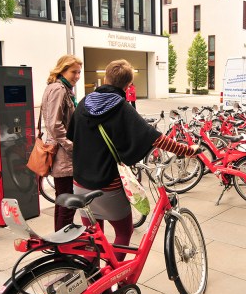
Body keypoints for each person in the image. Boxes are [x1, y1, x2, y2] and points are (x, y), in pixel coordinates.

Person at [67, 59, 197, 262]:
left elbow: (72, 135)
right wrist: (187, 150)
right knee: (123, 232)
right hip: (107, 186)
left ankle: (93, 279)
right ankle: (113, 276)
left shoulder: (84, 102)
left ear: (106, 77)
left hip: (80, 184)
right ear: (128, 86)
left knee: (93, 237)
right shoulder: (122, 108)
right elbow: (156, 138)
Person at [42, 55, 82, 231]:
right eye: (74, 72)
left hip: (60, 151)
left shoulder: (60, 87)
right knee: (67, 201)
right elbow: (54, 124)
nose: (77, 76)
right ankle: (63, 247)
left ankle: (59, 240)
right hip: (63, 154)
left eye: (79, 72)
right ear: (62, 70)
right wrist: (71, 146)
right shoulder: (59, 89)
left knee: (62, 199)